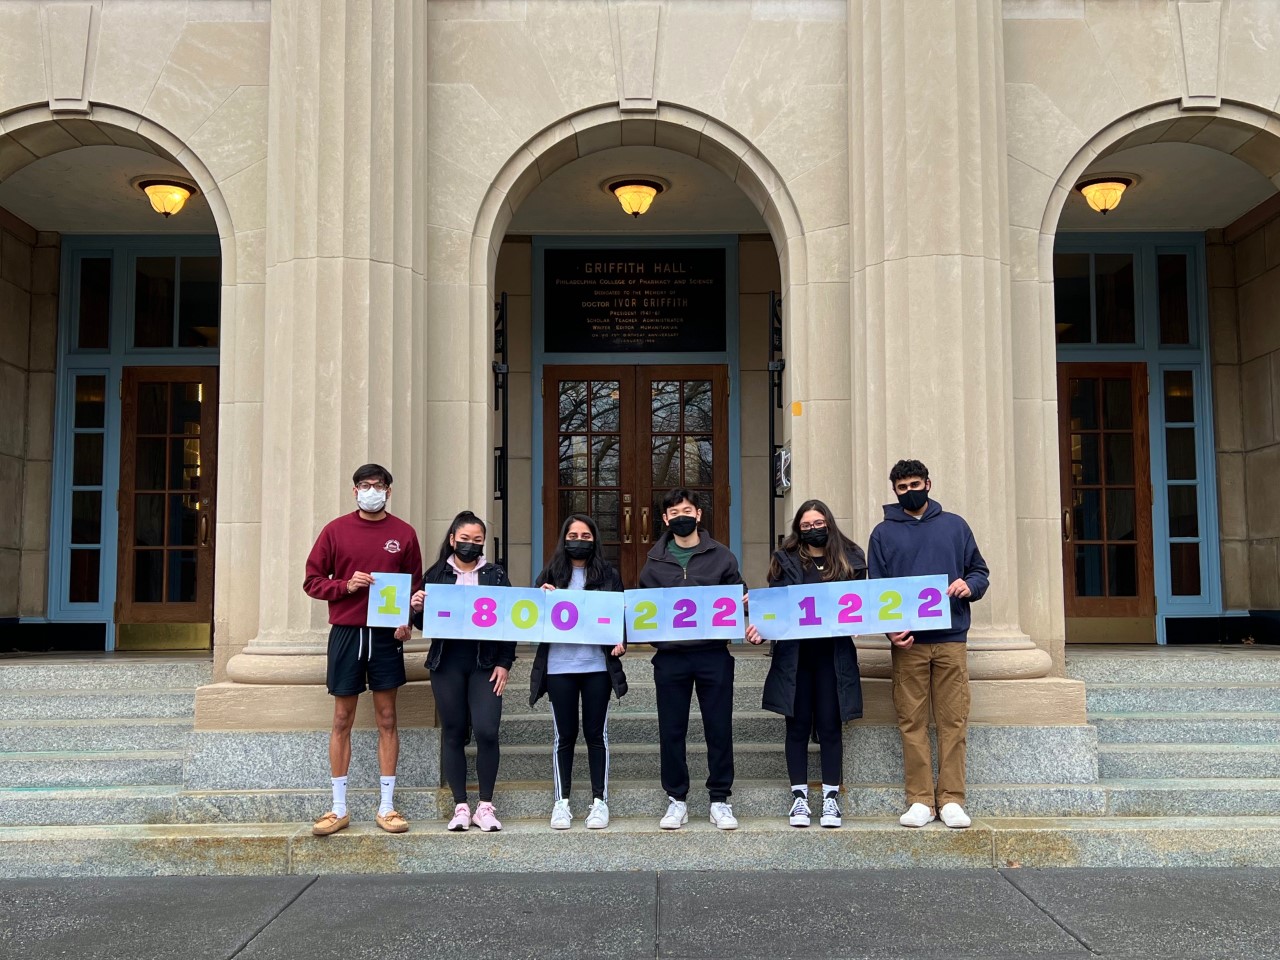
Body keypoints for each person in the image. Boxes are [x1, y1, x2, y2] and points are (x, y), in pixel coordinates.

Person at [867, 459, 989, 830]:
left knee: (953, 719)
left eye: (915, 484)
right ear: (894, 491)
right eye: (902, 488)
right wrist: (890, 631)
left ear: (929, 484)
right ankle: (920, 799)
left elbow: (979, 572)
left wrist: (970, 586)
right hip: (909, 644)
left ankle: (952, 798)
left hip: (951, 638)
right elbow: (878, 590)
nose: (910, 492)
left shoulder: (955, 526)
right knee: (911, 720)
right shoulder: (882, 534)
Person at [303, 463, 422, 837]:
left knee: (387, 718)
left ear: (389, 490)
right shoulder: (335, 531)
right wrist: (344, 586)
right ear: (355, 491)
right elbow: (312, 581)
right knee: (342, 719)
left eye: (379, 484)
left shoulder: (403, 534)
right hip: (347, 633)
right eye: (365, 485)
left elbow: (416, 589)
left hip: (386, 636)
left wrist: (408, 620)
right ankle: (338, 807)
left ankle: (387, 807)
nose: (372, 490)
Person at [746, 499, 866, 828]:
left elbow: (864, 605)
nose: (813, 529)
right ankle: (799, 798)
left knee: (830, 725)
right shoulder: (784, 560)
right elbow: (774, 604)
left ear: (829, 523)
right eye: (806, 525)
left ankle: (830, 799)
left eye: (818, 523)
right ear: (798, 529)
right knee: (796, 727)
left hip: (833, 658)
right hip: (795, 658)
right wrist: (760, 624)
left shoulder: (851, 558)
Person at [638, 488, 746, 831]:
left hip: (713, 655)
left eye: (687, 510)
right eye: (673, 513)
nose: (680, 517)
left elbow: (738, 598)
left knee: (718, 727)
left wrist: (745, 609)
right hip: (670, 659)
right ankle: (676, 799)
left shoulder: (723, 556)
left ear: (699, 514)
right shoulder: (653, 562)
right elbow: (645, 611)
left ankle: (719, 799)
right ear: (666, 520)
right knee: (671, 730)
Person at [409, 511, 514, 832]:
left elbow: (509, 621)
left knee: (486, 730)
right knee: (453, 731)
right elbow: (426, 625)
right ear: (453, 539)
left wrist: (504, 663)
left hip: (485, 663)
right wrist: (416, 609)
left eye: (477, 541)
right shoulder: (436, 574)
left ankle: (485, 805)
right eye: (464, 539)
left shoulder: (495, 575)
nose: (470, 545)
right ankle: (460, 805)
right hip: (447, 663)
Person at [530, 514, 628, 830]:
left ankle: (600, 801)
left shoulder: (609, 575)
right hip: (559, 666)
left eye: (586, 535)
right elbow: (532, 618)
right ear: (564, 537)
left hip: (597, 666)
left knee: (596, 734)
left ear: (594, 540)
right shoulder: (550, 573)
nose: (579, 539)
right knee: (565, 735)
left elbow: (621, 614)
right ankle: (562, 802)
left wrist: (620, 640)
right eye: (573, 534)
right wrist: (539, 597)